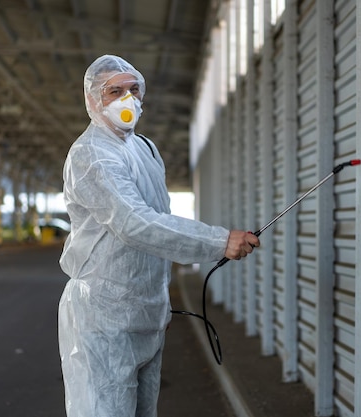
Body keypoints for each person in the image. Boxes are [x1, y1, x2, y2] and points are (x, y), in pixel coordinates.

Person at [57, 54, 260, 417]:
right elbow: (135, 223)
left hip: (146, 311)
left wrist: (160, 300)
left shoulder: (145, 149)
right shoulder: (92, 155)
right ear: (92, 100)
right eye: (113, 91)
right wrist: (218, 241)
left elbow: (159, 224)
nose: (127, 99)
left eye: (133, 89)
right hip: (105, 316)